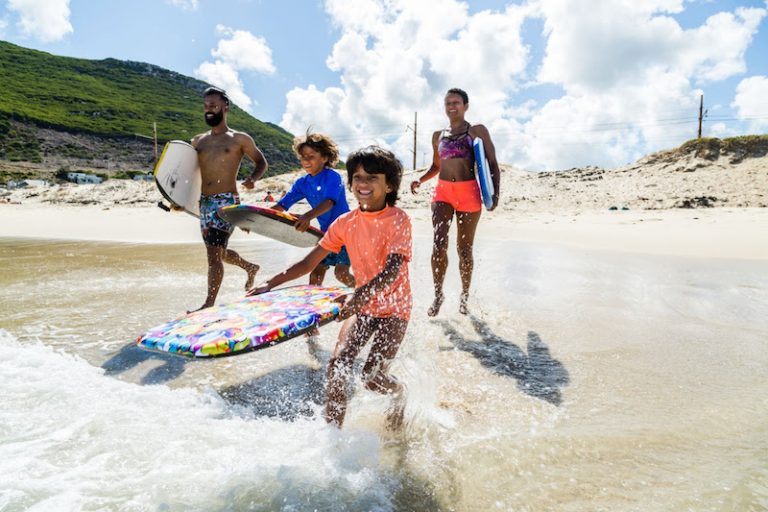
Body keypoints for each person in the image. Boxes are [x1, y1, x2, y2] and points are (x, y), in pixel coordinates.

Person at [248, 146, 412, 428]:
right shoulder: (344, 223)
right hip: (363, 307)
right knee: (338, 366)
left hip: (394, 310)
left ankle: (399, 394)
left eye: (372, 177)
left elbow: (392, 271)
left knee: (372, 378)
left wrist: (358, 297)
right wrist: (269, 284)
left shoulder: (398, 220)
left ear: (390, 185)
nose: (363, 183)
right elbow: (309, 262)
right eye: (358, 176)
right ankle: (332, 438)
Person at [410, 87, 500, 316]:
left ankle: (464, 295)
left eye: (456, 102)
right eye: (448, 103)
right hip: (443, 193)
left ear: (466, 106)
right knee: (439, 245)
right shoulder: (437, 136)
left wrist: (495, 193)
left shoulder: (476, 131)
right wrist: (420, 180)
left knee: (464, 249)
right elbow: (437, 166)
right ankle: (438, 294)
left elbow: (491, 162)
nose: (452, 106)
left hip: (468, 192)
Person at [190, 86, 267, 311]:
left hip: (227, 202)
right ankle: (249, 267)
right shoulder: (198, 142)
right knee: (220, 253)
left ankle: (208, 304)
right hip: (205, 202)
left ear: (225, 107)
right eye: (205, 106)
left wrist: (253, 178)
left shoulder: (239, 139)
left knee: (213, 255)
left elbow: (261, 162)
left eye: (213, 106)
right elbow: (186, 173)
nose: (209, 110)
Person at [271, 131, 355, 288]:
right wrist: (255, 219)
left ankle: (363, 295)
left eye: (311, 156)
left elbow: (329, 202)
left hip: (346, 232)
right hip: (325, 233)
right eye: (303, 156)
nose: (306, 160)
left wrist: (307, 216)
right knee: (316, 272)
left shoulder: (333, 177)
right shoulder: (302, 183)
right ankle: (314, 303)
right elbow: (281, 206)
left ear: (324, 158)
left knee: (341, 273)